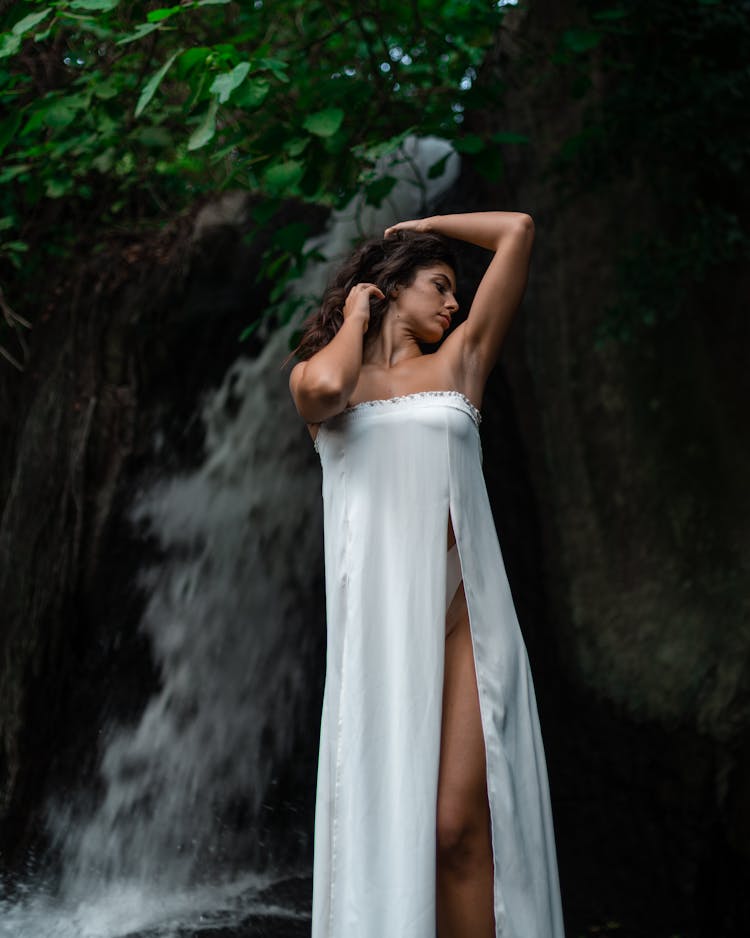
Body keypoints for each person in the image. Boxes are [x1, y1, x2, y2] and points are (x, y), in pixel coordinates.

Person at [288, 212, 565, 938]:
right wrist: (356, 314)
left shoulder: (464, 360)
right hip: (381, 631)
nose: (453, 304)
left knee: (454, 828)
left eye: (456, 291)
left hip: (464, 616)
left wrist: (430, 225)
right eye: (439, 286)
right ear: (388, 289)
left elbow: (518, 231)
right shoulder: (333, 381)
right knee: (395, 827)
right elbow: (320, 390)